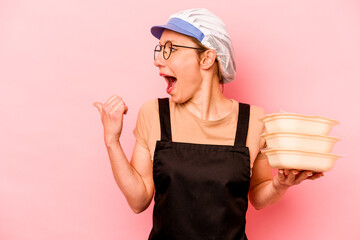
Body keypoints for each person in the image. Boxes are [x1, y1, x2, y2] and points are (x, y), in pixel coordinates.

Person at [93, 8, 323, 240]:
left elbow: (257, 196)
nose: (157, 60)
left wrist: (280, 184)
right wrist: (112, 141)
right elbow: (138, 201)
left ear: (206, 58)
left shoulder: (254, 121)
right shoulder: (154, 114)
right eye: (160, 49)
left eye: (170, 49)